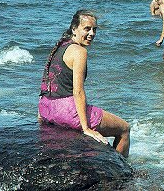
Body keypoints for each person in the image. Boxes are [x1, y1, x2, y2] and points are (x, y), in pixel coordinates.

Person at [38, 10, 130, 157]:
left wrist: (41, 115)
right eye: (87, 28)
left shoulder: (59, 46)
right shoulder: (79, 51)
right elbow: (78, 92)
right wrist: (86, 128)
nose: (92, 33)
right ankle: (122, 167)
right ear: (74, 29)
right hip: (67, 112)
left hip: (47, 108)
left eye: (95, 29)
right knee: (124, 128)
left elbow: (47, 82)